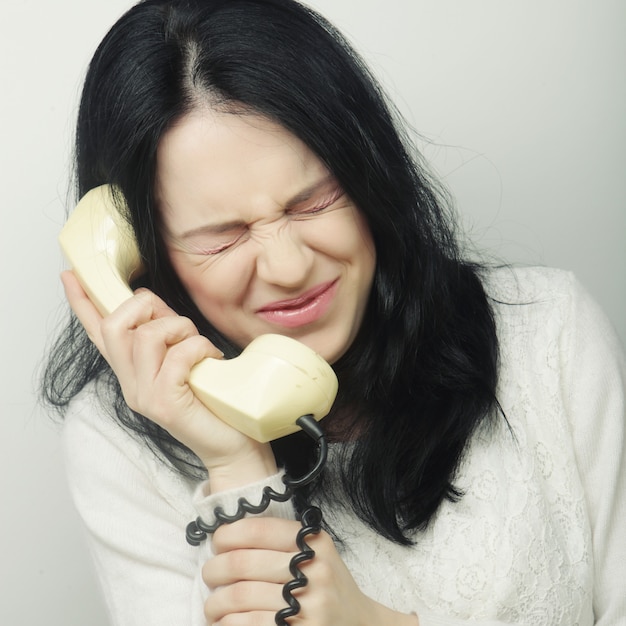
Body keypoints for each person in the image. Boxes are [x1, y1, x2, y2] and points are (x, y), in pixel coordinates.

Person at [42, 0, 625, 624]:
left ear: (369, 172)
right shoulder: (117, 442)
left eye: (315, 201)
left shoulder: (549, 332)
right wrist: (237, 463)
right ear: (143, 257)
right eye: (223, 235)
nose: (290, 267)